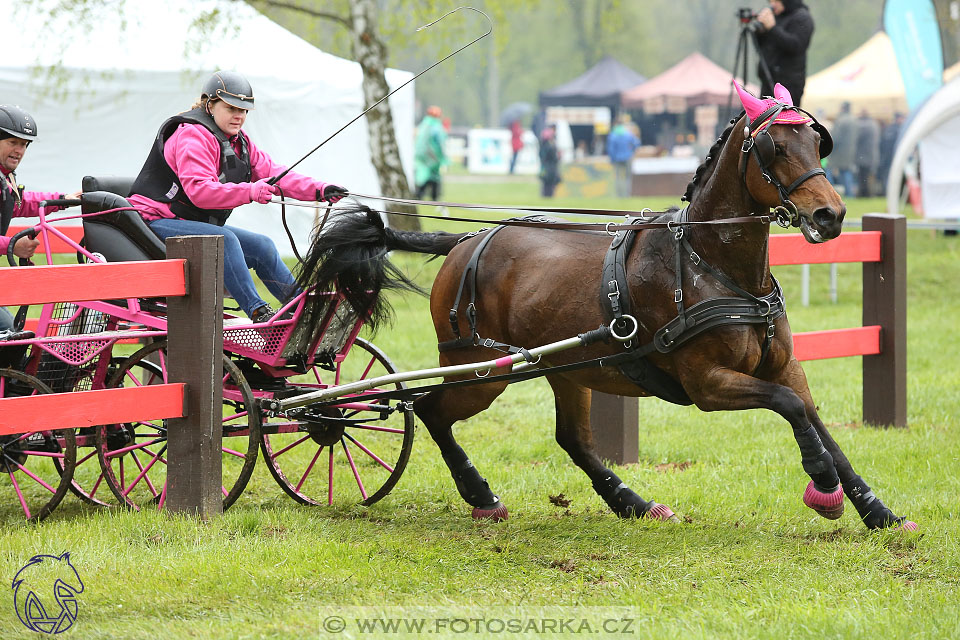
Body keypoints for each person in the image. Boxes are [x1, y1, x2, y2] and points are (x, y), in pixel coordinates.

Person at [127, 71, 347, 323]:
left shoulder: (239, 142)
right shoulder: (192, 135)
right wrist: (250, 191)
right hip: (155, 221)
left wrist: (320, 190)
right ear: (210, 105)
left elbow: (275, 175)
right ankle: (259, 313)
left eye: (244, 110)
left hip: (188, 223)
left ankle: (304, 311)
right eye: (231, 108)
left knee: (263, 245)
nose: (239, 116)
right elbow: (200, 191)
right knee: (226, 240)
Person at [0, 104, 81, 333]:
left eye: (24, 144)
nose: (19, 150)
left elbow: (18, 202)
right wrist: (12, 245)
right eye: (12, 142)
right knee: (7, 332)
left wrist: (61, 199)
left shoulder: (4, 178)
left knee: (10, 334)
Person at [754, 0, 815, 105]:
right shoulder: (775, 17)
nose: (772, 4)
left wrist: (772, 28)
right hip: (768, 81)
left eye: (776, 1)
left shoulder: (802, 17)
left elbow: (796, 45)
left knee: (785, 118)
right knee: (764, 118)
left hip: (789, 85)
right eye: (771, 1)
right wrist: (760, 31)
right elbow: (761, 46)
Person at [413, 105, 448, 201]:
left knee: (422, 176)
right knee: (434, 177)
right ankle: (434, 197)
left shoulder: (422, 125)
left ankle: (419, 195)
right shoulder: (437, 127)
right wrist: (443, 158)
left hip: (420, 157)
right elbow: (441, 143)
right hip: (433, 156)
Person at [606, 114, 640, 198]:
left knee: (618, 177)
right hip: (628, 157)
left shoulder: (613, 135)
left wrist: (612, 159)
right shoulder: (627, 134)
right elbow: (637, 143)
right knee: (628, 178)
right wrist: (631, 151)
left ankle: (619, 195)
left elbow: (610, 149)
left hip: (617, 158)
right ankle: (627, 195)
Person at [830, 102, 858, 198]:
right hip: (851, 150)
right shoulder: (854, 120)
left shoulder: (841, 120)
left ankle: (848, 194)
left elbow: (835, 137)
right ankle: (849, 193)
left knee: (842, 172)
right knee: (847, 171)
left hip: (840, 151)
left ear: (842, 108)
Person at [855, 109, 880, 198]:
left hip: (864, 154)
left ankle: (864, 193)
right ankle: (867, 193)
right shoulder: (873, 124)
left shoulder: (864, 125)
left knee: (863, 176)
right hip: (871, 153)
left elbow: (858, 137)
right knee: (867, 175)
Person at [877, 112, 905, 191]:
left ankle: (887, 190)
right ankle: (889, 191)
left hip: (888, 156)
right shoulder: (897, 129)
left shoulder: (890, 129)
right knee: (890, 175)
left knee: (888, 175)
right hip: (892, 157)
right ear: (898, 119)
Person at [538, 126, 561, 198]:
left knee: (546, 182)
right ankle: (548, 195)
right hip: (550, 167)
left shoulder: (543, 145)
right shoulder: (549, 146)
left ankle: (546, 195)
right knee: (549, 182)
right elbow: (553, 157)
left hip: (546, 166)